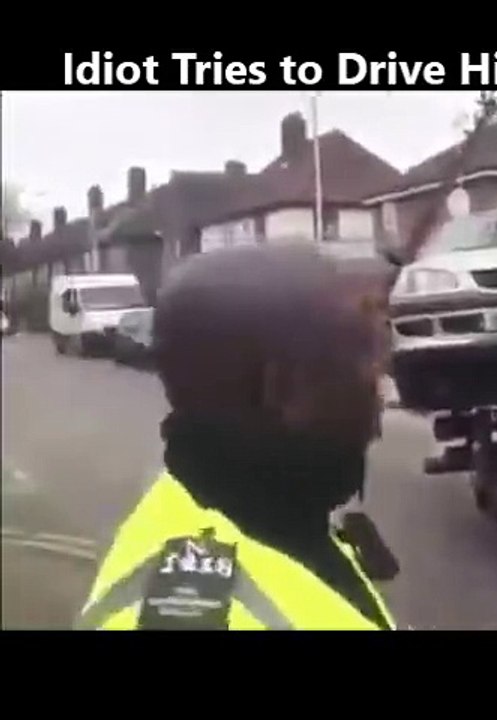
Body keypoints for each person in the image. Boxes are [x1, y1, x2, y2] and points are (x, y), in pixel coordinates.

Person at [75, 245, 398, 630]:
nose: (383, 391)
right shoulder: (190, 615)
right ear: (284, 389)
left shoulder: (272, 517)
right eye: (365, 361)